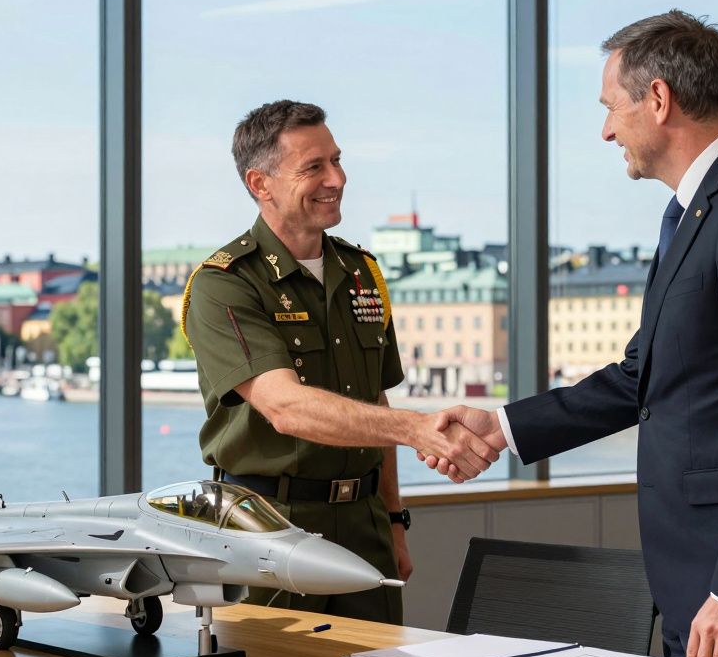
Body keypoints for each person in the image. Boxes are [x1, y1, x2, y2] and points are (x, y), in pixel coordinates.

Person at [427, 11, 718, 657]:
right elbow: (644, 376)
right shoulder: (704, 210)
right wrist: (505, 426)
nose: (606, 129)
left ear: (658, 99)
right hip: (704, 576)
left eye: (611, 107)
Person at [182, 99, 497, 625]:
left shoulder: (362, 273)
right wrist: (418, 430)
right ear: (261, 184)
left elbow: (376, 400)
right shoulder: (224, 284)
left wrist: (395, 524)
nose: (337, 178)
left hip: (364, 526)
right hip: (266, 526)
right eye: (314, 167)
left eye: (337, 160)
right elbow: (286, 407)